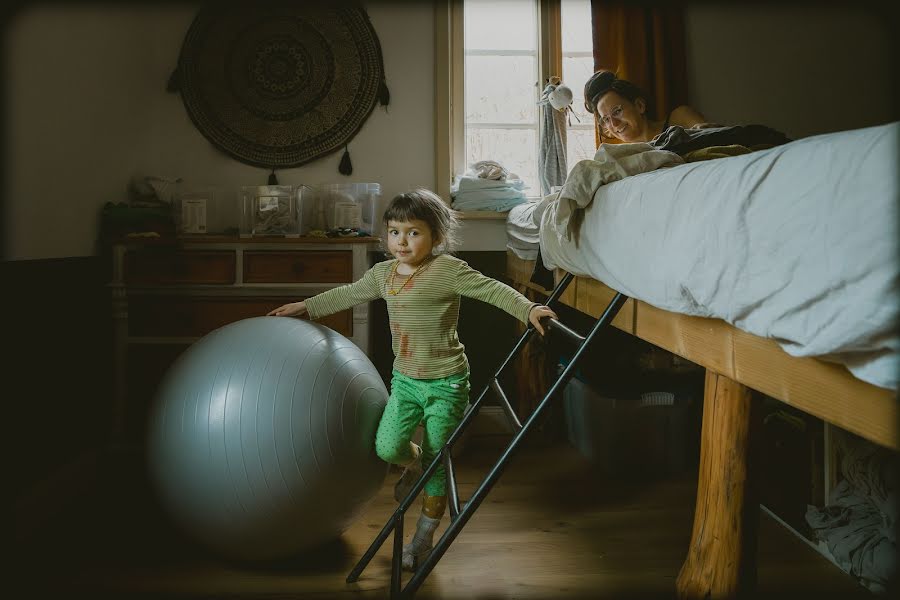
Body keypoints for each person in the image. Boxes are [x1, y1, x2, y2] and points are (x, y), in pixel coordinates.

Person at [267, 188, 558, 571]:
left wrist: (529, 307)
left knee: (439, 461)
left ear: (436, 236)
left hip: (447, 383)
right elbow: (350, 293)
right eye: (394, 231)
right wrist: (307, 307)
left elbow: (493, 290)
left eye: (413, 232)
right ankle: (415, 465)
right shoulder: (383, 274)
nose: (402, 241)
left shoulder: (448, 271)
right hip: (405, 380)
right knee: (388, 448)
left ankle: (422, 538)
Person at [583, 70, 716, 143]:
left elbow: (711, 135)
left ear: (639, 105)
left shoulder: (679, 117)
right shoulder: (622, 160)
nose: (614, 124)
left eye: (617, 111)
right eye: (606, 119)